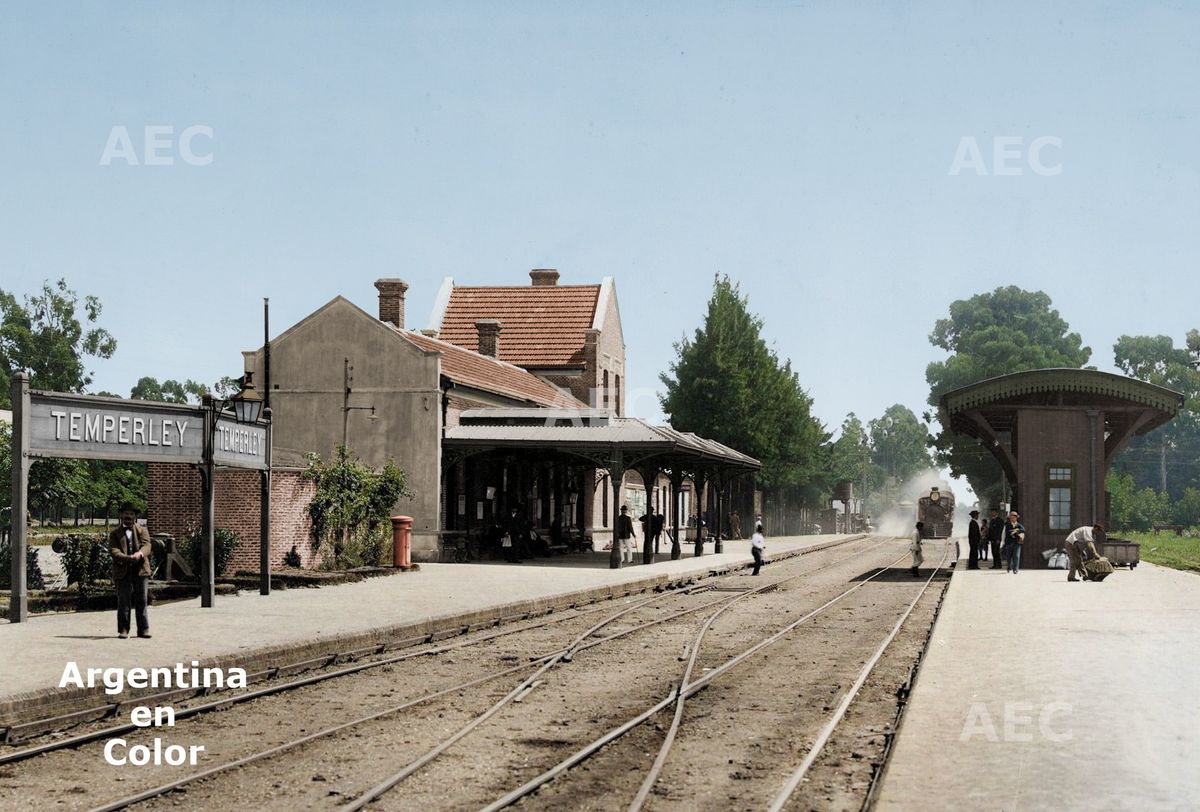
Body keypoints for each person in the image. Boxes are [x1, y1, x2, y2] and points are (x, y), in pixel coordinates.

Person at [108, 503, 152, 639]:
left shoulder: (142, 530)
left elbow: (147, 545)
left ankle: (143, 629)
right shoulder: (115, 533)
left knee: (142, 600)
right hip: (123, 569)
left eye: (131, 514)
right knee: (123, 601)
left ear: (135, 516)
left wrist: (139, 554)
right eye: (126, 514)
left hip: (140, 569)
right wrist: (127, 558)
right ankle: (123, 629)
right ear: (121, 515)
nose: (128, 516)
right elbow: (113, 550)